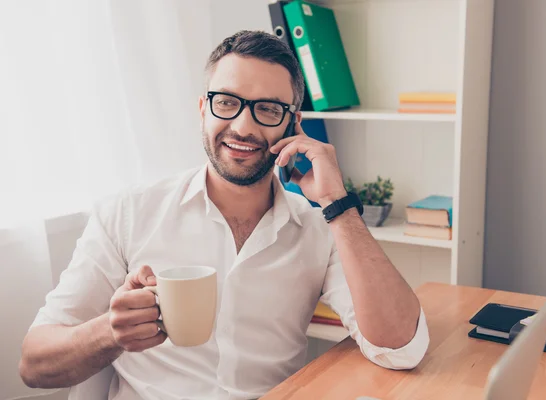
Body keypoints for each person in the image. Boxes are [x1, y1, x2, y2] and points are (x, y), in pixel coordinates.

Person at [19, 30, 429, 399]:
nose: (243, 126)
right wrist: (109, 331)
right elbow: (34, 364)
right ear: (203, 109)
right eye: (227, 103)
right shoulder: (128, 213)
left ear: (294, 124)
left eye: (267, 109)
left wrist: (338, 204)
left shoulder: (320, 226)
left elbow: (400, 348)